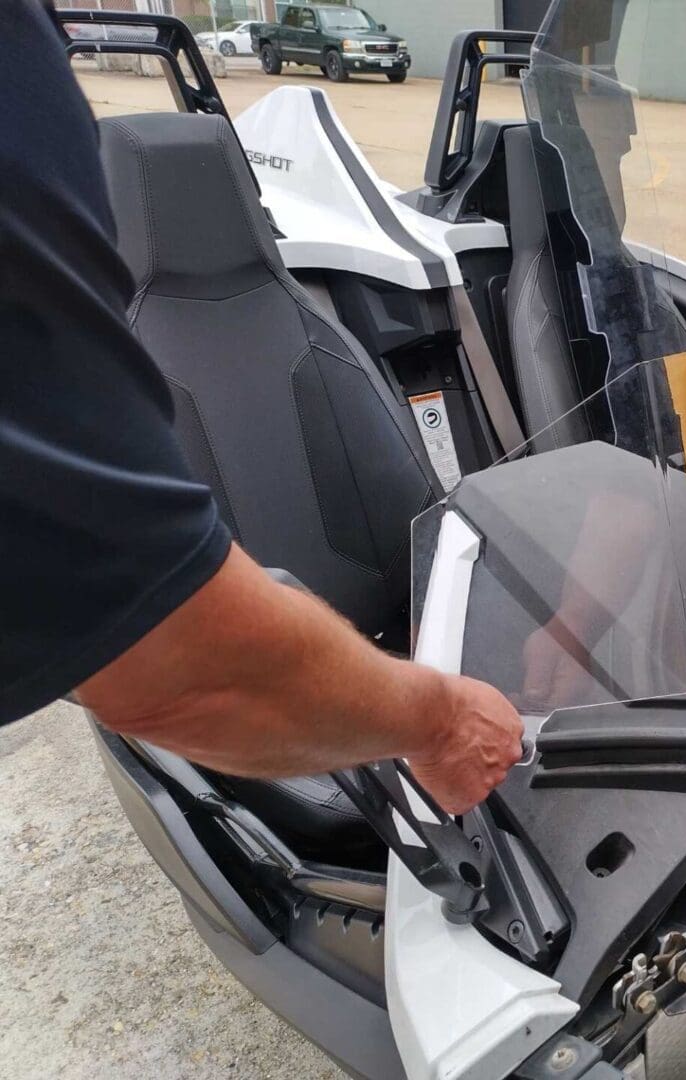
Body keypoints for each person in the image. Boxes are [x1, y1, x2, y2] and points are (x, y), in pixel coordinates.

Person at [0, 0, 522, 815]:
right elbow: (180, 664)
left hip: (379, 656)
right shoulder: (92, 363)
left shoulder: (311, 337)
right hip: (286, 708)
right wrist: (439, 720)